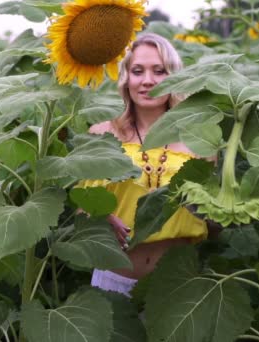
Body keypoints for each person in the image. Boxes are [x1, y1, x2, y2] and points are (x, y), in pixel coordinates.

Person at [81, 33, 209, 296]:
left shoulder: (200, 141)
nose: (148, 81)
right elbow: (81, 205)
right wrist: (99, 217)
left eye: (159, 71)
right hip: (113, 280)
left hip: (177, 287)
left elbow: (216, 224)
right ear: (126, 78)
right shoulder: (102, 134)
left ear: (174, 77)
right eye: (138, 71)